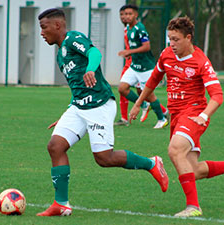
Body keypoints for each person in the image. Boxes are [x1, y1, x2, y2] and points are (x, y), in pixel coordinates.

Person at [36, 8, 169, 217]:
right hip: (79, 107)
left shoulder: (73, 38)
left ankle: (152, 163)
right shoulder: (60, 56)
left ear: (58, 26)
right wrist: (67, 112)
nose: (41, 33)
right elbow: (76, 88)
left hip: (99, 105)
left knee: (104, 159)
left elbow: (94, 52)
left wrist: (91, 68)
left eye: (44, 28)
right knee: (55, 146)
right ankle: (61, 204)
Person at [130, 16, 224, 217]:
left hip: (195, 114)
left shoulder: (201, 62)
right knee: (193, 170)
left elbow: (217, 96)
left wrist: (204, 116)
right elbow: (153, 80)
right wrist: (137, 103)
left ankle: (193, 207)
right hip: (177, 116)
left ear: (188, 38)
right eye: (170, 39)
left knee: (175, 150)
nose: (172, 44)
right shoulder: (167, 55)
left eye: (176, 39)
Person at [118, 4, 169, 129]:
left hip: (146, 68)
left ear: (136, 15)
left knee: (149, 95)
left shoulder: (140, 28)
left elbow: (147, 47)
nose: (127, 16)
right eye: (125, 14)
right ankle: (144, 105)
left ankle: (162, 119)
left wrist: (130, 52)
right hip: (135, 67)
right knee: (122, 88)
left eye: (130, 14)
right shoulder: (129, 28)